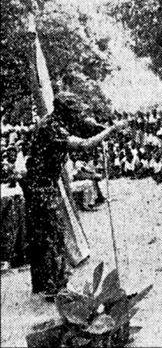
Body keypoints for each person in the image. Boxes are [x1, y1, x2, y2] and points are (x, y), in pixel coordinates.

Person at [22, 92, 127, 301]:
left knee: (44, 236)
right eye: (74, 111)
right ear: (63, 110)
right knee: (53, 235)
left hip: (44, 183)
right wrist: (111, 130)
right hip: (40, 186)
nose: (77, 115)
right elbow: (85, 144)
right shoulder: (51, 127)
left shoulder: (62, 120)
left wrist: (102, 127)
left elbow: (86, 125)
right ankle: (57, 288)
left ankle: (45, 284)